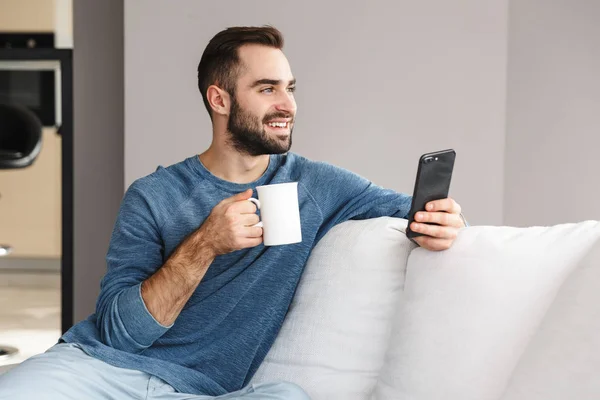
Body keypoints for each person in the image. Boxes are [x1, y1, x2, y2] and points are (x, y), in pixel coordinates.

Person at [0, 26, 466, 400]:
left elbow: (411, 211)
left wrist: (446, 219)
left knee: (287, 395)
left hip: (203, 391)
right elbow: (120, 334)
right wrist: (205, 243)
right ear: (219, 100)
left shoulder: (316, 185)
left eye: (289, 88)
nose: (288, 105)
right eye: (267, 89)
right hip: (97, 371)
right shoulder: (153, 195)